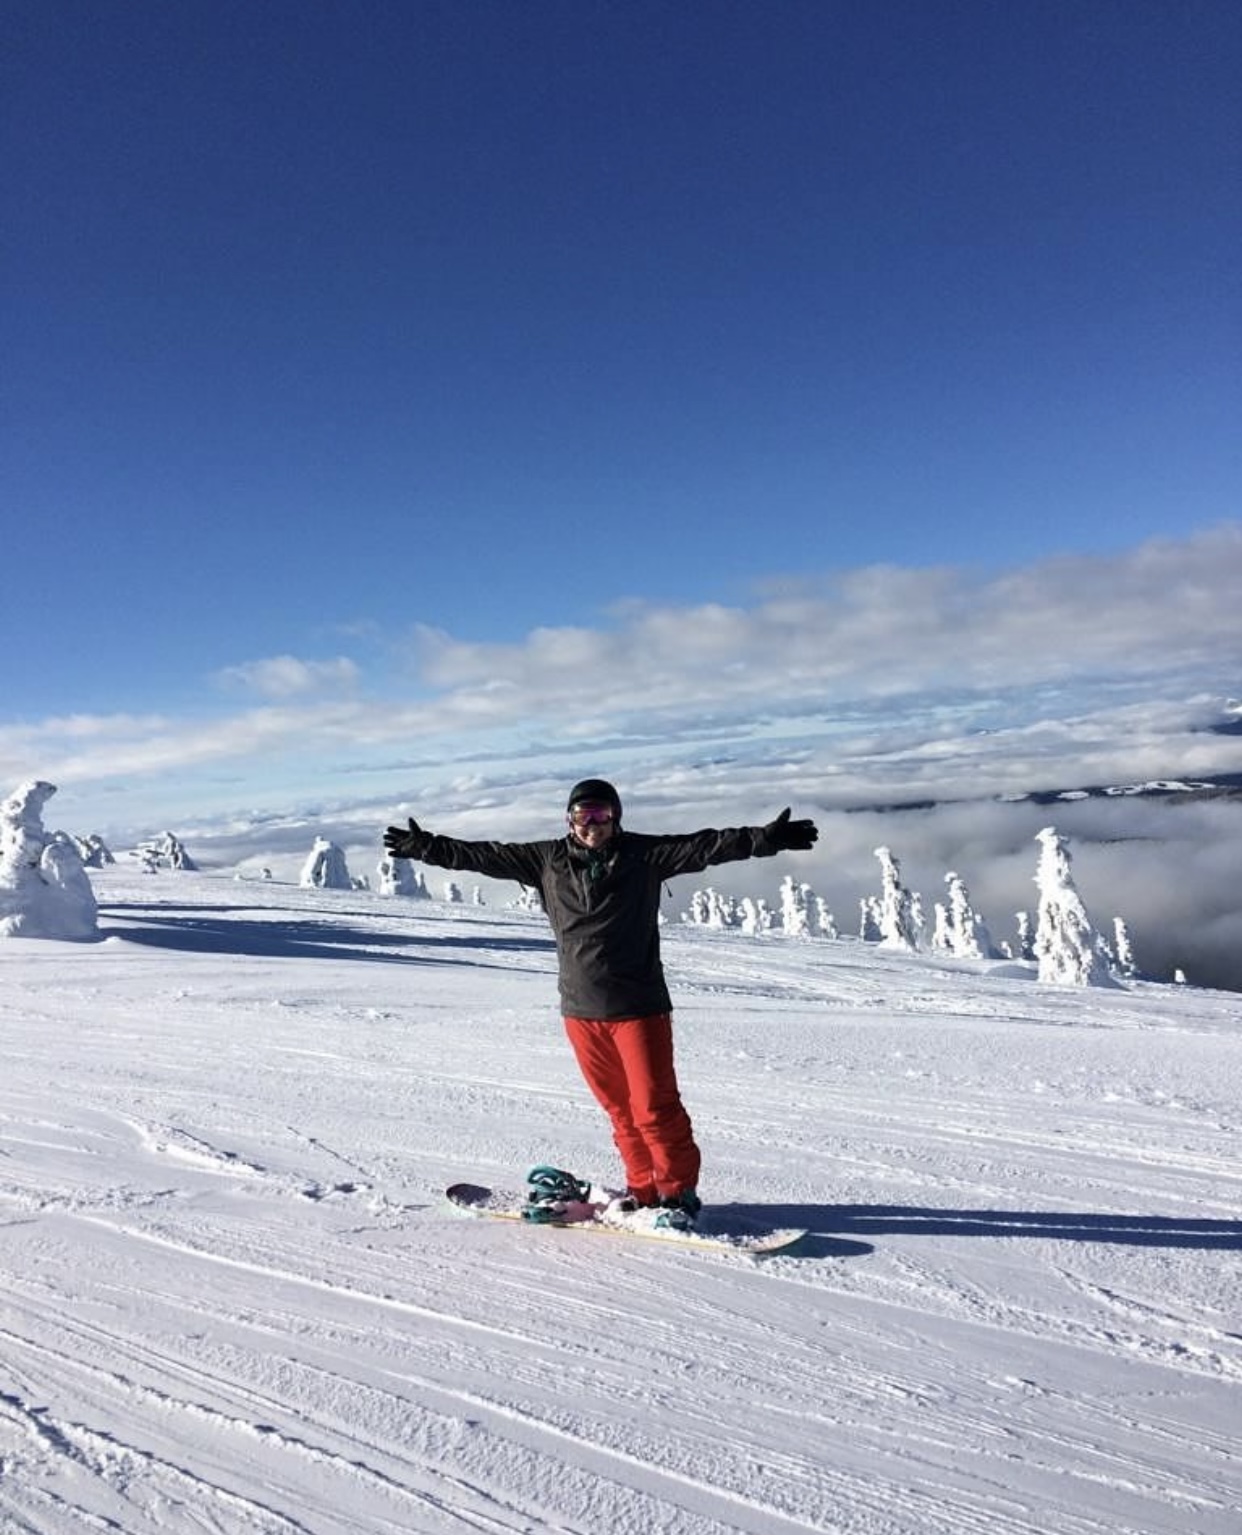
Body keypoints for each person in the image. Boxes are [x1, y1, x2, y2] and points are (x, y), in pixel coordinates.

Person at [383, 778, 818, 1228]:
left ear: (616, 817)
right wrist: (426, 847)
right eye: (583, 816)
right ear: (570, 820)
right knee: (620, 1110)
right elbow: (482, 855)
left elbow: (704, 846)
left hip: (640, 1007)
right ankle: (642, 1190)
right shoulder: (545, 860)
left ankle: (676, 1194)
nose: (593, 825)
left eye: (602, 816)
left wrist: (764, 840)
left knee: (655, 1107)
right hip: (580, 1010)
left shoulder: (644, 856)